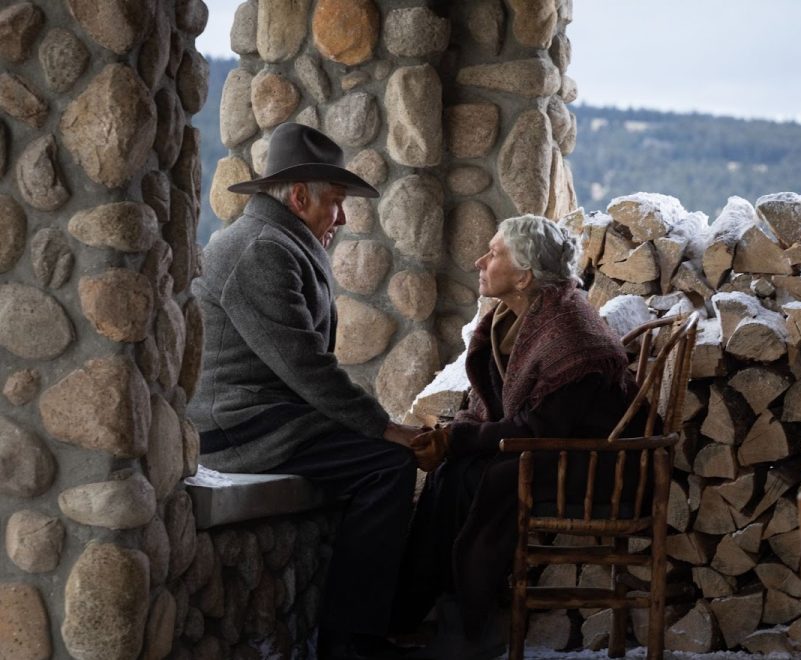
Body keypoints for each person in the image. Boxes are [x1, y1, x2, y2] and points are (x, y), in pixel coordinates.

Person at [187, 122, 421, 660]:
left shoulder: (280, 241)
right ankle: (351, 641)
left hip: (270, 416)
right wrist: (390, 429)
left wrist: (382, 426)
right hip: (238, 427)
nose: (341, 218)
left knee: (381, 456)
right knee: (387, 464)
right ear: (298, 197)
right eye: (335, 204)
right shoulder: (260, 250)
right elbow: (309, 369)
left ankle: (372, 624)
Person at [393, 214, 644, 656]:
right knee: (453, 473)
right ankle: (420, 613)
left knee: (471, 476)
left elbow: (541, 428)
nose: (478, 261)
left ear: (525, 275)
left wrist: (458, 440)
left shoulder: (570, 330)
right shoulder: (514, 318)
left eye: (494, 254)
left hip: (593, 464)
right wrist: (455, 436)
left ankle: (471, 624)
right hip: (547, 450)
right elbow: (501, 408)